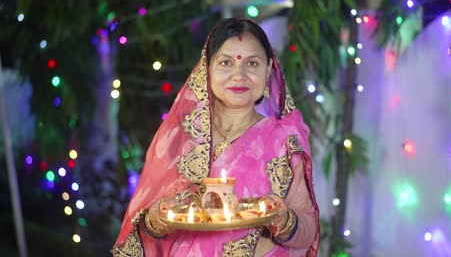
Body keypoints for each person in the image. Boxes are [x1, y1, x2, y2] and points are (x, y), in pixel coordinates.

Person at [112, 18, 320, 257]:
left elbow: (308, 228)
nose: (238, 75)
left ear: (268, 69)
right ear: (206, 69)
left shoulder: (284, 140)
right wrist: (156, 221)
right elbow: (145, 228)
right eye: (225, 63)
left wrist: (284, 220)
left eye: (252, 63)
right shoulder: (181, 137)